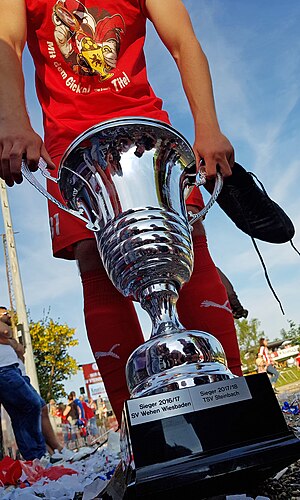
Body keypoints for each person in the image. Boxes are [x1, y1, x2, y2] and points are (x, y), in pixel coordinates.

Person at [0, 0, 243, 424]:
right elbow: (6, 39)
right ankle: (142, 429)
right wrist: (13, 119)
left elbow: (184, 41)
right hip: (70, 144)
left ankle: (235, 405)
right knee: (95, 261)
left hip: (144, 130)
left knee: (187, 245)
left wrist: (208, 126)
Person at [0, 307, 47, 460]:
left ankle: (35, 457)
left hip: (11, 370)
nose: (9, 316)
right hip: (4, 371)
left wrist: (11, 342)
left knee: (22, 413)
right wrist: (10, 340)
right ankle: (37, 453)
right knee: (32, 404)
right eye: (5, 314)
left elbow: (20, 350)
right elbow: (6, 332)